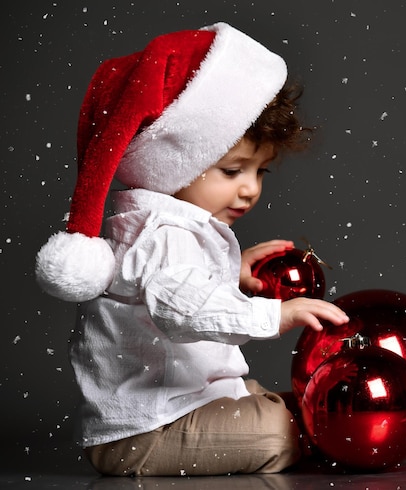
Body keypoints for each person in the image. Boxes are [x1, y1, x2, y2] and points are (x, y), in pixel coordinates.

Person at [35, 22, 349, 476]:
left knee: (272, 399)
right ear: (174, 162)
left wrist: (230, 271)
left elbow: (168, 288)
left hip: (175, 409)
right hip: (145, 432)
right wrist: (274, 316)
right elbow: (181, 311)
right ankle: (307, 436)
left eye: (260, 173)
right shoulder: (165, 234)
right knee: (280, 430)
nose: (248, 191)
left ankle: (300, 424)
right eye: (232, 170)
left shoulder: (160, 226)